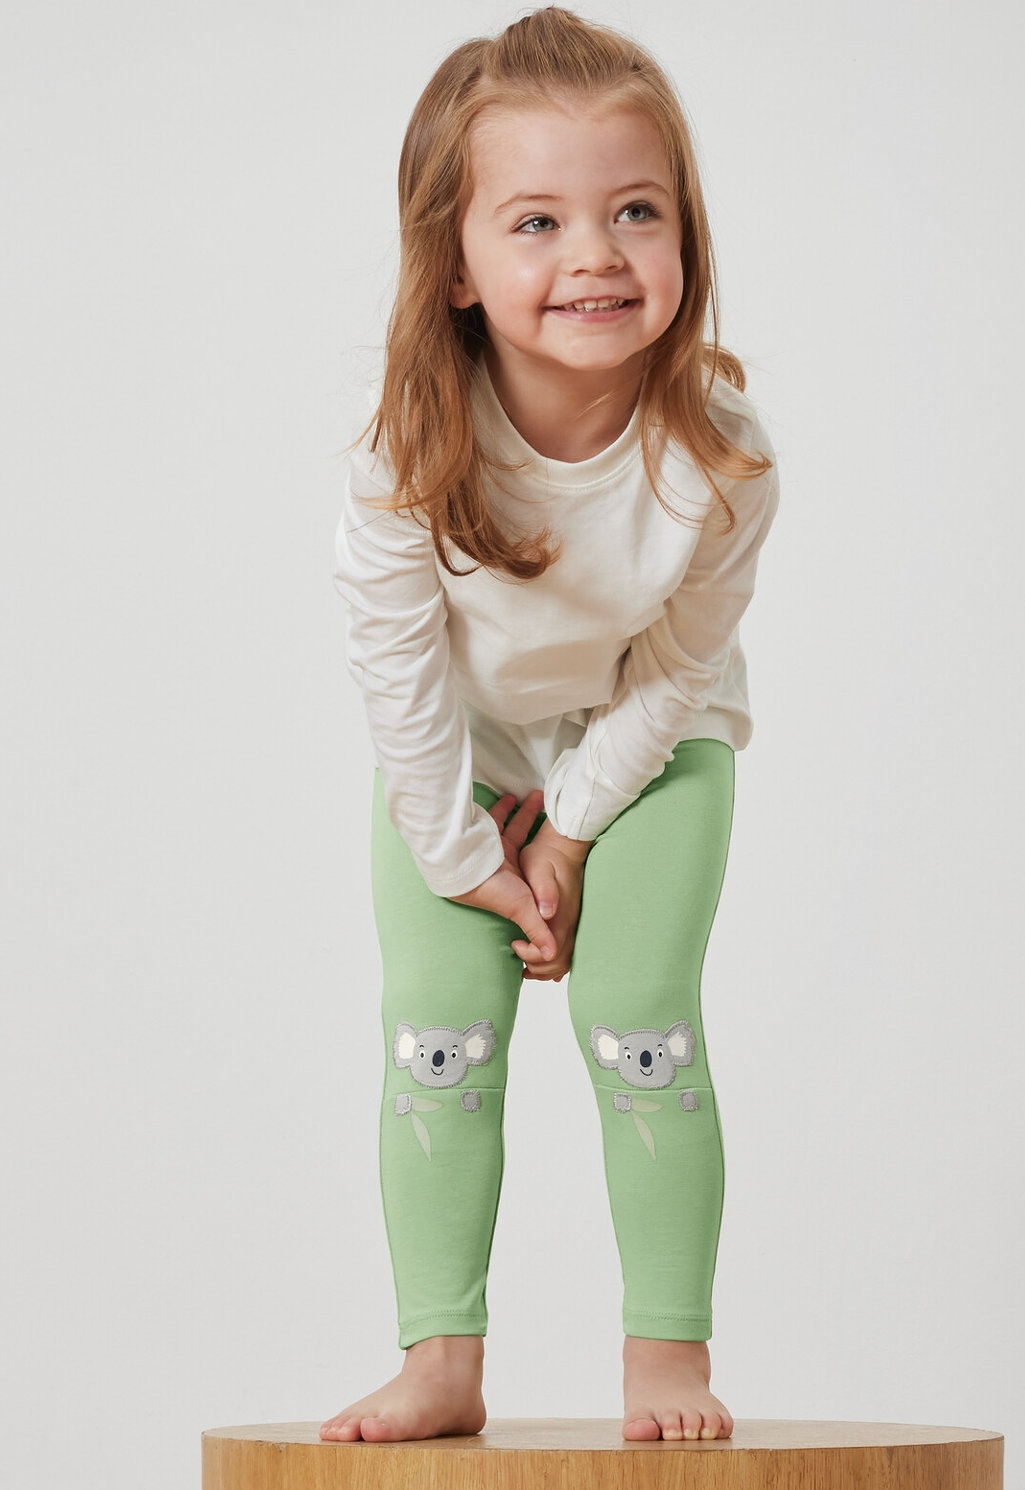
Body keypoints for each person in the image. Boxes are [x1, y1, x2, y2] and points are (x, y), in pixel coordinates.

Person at [321, 6, 779, 1447]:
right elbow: (395, 680)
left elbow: (675, 664)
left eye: (634, 211)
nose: (593, 253)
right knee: (434, 1038)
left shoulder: (718, 449)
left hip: (652, 744)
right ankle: (440, 1354)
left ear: (684, 239)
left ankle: (664, 1357)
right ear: (454, 269)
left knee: (637, 1023)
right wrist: (470, 850)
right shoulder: (410, 447)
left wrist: (574, 829)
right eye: (535, 222)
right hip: (459, 757)